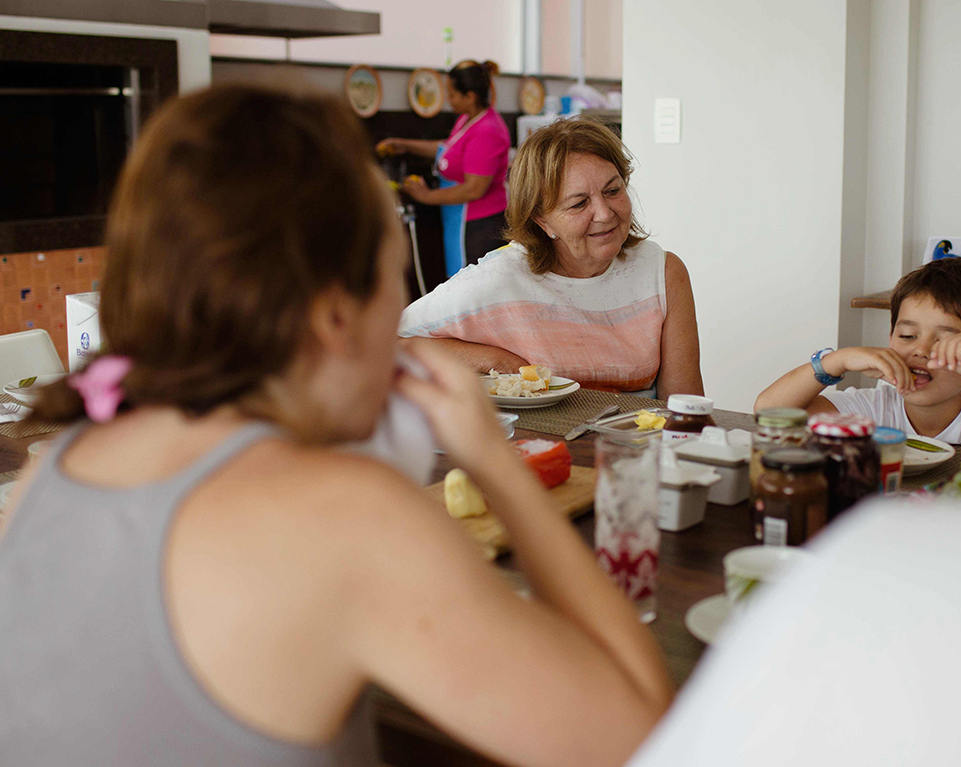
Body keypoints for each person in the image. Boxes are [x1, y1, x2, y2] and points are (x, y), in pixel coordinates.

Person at [0, 84, 671, 767]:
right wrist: (499, 467)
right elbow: (641, 734)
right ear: (333, 316)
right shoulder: (344, 516)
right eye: (392, 284)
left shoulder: (48, 472)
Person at [625, 496, 961, 766]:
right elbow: (771, 402)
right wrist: (829, 363)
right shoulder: (875, 399)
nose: (923, 350)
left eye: (949, 338)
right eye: (906, 334)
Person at [398, 117, 705, 399]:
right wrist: (494, 360)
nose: (605, 213)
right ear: (541, 220)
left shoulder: (662, 273)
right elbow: (393, 342)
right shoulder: (500, 279)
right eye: (578, 204)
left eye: (613, 190)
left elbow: (684, 408)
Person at [753, 258, 961, 442]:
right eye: (906, 335)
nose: (921, 350)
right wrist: (839, 360)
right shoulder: (873, 409)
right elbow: (767, 412)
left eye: (944, 341)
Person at [379, 60, 510, 273]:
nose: (449, 100)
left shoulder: (487, 131)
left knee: (471, 291)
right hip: (458, 222)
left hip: (479, 229)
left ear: (470, 96)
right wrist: (404, 145)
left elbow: (474, 188)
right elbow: (449, 150)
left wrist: (425, 196)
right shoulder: (468, 120)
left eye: (452, 94)